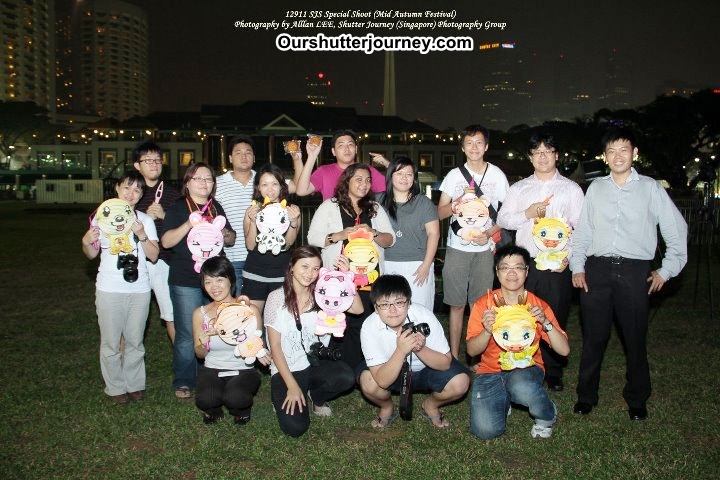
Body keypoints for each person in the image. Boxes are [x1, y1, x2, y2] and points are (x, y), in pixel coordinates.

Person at [570, 127, 688, 421]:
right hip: (597, 269)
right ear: (605, 156)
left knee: (635, 339)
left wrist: (666, 270)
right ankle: (586, 395)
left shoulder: (651, 188)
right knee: (593, 338)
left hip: (635, 272)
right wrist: (578, 266)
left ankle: (637, 398)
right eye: (611, 151)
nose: (618, 156)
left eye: (624, 149)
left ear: (635, 153)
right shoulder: (596, 188)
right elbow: (583, 231)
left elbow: (676, 230)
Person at [496, 133, 584, 391]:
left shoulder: (571, 189)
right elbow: (503, 219)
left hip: (557, 265)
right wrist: (528, 213)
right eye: (537, 152)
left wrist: (568, 257)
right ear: (530, 157)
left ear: (557, 155)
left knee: (553, 316)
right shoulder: (519, 188)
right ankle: (525, 364)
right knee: (521, 314)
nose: (542, 157)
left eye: (548, 151)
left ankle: (553, 371)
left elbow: (581, 228)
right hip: (526, 265)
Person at [466, 245, 569, 439]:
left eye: (518, 267)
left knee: (521, 387)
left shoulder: (537, 305)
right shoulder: (484, 305)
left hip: (526, 368)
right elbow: (472, 351)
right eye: (505, 267)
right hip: (490, 371)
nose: (512, 273)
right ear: (497, 272)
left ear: (527, 272)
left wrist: (545, 322)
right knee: (485, 431)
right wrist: (487, 330)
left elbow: (564, 350)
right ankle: (503, 398)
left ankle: (547, 414)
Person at [264, 246, 363, 437]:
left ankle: (316, 397)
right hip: (287, 368)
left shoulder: (323, 293)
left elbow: (358, 310)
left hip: (315, 363)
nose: (310, 274)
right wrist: (292, 386)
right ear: (292, 267)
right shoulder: (276, 298)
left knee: (345, 377)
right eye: (305, 266)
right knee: (295, 428)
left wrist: (346, 278)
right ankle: (281, 394)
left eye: (316, 268)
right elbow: (274, 346)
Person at [81, 170, 160, 404]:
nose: (131, 193)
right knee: (111, 341)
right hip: (109, 288)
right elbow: (91, 254)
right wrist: (86, 241)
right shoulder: (102, 217)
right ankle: (115, 386)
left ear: (141, 195)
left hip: (139, 289)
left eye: (137, 190)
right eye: (127, 187)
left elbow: (154, 255)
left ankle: (134, 384)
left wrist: (142, 235)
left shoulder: (144, 220)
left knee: (135, 340)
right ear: (117, 188)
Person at [307, 163, 396, 369]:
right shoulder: (329, 206)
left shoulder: (375, 208)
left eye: (368, 180)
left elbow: (390, 240)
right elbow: (312, 237)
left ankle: (365, 368)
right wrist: (338, 235)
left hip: (369, 280)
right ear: (346, 181)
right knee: (341, 325)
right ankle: (338, 369)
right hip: (338, 281)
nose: (364, 184)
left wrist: (374, 233)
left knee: (366, 324)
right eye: (359, 179)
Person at [161, 163, 236, 399]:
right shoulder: (178, 207)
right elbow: (166, 242)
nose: (204, 183)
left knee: (219, 326)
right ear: (188, 182)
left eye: (209, 179)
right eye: (198, 178)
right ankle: (184, 380)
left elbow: (231, 239)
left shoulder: (216, 207)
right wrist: (189, 223)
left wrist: (225, 233)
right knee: (186, 332)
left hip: (215, 279)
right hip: (186, 277)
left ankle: (215, 372)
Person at [358, 275, 470, 429]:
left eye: (399, 302)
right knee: (368, 382)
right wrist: (401, 350)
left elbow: (445, 363)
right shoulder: (369, 327)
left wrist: (420, 348)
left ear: (409, 302)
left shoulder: (424, 316)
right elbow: (382, 381)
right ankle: (386, 407)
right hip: (390, 371)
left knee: (460, 382)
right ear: (376, 308)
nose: (392, 310)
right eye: (384, 304)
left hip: (427, 370)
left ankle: (431, 405)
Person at [438, 124, 509, 359]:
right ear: (462, 148)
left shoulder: (497, 175)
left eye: (479, 142)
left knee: (480, 305)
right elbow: (440, 213)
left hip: (485, 250)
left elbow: (506, 216)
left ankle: (477, 357)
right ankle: (454, 356)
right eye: (469, 143)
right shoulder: (454, 176)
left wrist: (488, 234)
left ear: (486, 146)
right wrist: (457, 200)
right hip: (456, 249)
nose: (474, 147)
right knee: (456, 304)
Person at [192, 256, 267, 425]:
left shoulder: (249, 310)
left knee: (235, 397)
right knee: (206, 399)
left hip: (243, 369)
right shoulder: (200, 314)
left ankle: (241, 410)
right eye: (208, 281)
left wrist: (259, 351)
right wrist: (203, 343)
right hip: (213, 368)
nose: (214, 287)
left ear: (231, 280)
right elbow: (199, 354)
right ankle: (214, 410)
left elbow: (256, 344)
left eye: (219, 280)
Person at [133, 140, 180, 344]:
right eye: (148, 160)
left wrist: (164, 215)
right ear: (137, 165)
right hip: (134, 259)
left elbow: (184, 226)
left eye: (158, 160)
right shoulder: (131, 191)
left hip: (163, 260)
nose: (154, 164)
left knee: (171, 313)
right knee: (130, 314)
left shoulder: (172, 193)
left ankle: (181, 358)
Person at [378, 156, 440, 310]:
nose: (404, 178)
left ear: (414, 178)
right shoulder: (378, 201)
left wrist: (426, 265)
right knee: (391, 310)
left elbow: (434, 234)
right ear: (390, 176)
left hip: (418, 265)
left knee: (419, 310)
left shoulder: (424, 203)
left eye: (409, 174)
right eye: (399, 173)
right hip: (387, 263)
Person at [241, 163, 302, 313]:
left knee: (277, 321)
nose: (270, 189)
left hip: (281, 274)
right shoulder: (252, 210)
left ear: (281, 186)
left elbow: (288, 244)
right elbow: (250, 246)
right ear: (258, 187)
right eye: (265, 184)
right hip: (254, 273)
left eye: (274, 184)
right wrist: (253, 221)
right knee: (251, 319)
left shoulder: (291, 210)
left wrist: (293, 222)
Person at [214, 135, 257, 294]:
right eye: (238, 153)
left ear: (254, 157)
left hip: (260, 257)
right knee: (235, 305)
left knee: (260, 304)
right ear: (230, 158)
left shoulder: (264, 181)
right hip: (231, 258)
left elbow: (297, 187)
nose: (244, 156)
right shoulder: (217, 183)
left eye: (248, 152)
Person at [293, 129, 386, 200]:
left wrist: (387, 164)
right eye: (341, 145)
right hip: (332, 219)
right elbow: (301, 191)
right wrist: (312, 156)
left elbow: (391, 187)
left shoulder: (366, 170)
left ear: (356, 149)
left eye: (350, 144)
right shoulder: (324, 171)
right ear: (333, 151)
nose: (347, 149)